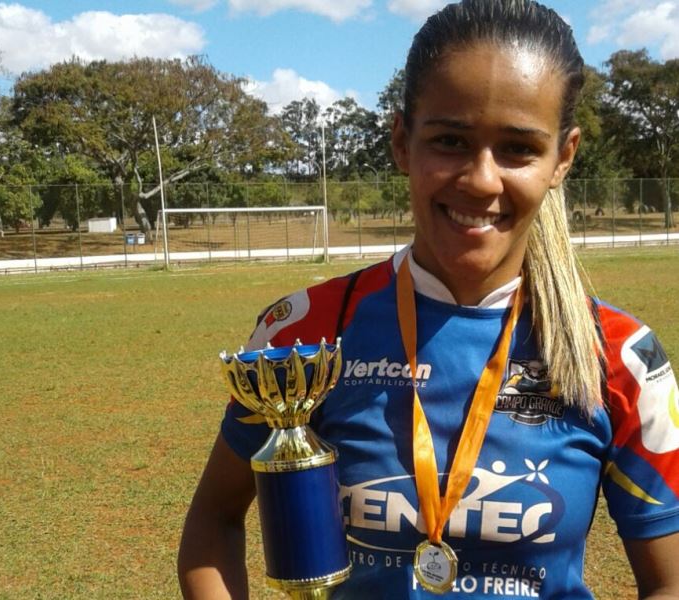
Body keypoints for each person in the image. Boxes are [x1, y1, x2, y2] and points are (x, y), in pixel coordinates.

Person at [178, 0, 679, 597]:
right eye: (450, 140)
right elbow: (214, 520)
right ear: (401, 142)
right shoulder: (304, 335)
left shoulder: (621, 358)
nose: (481, 179)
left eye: (518, 148)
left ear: (562, 158)